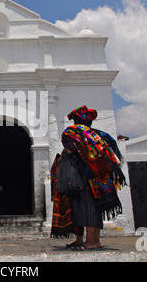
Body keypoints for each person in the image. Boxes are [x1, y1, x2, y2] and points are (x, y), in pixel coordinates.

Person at [51, 106, 126, 250]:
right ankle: (88, 240)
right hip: (101, 177)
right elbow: (114, 151)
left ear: (76, 120)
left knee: (87, 208)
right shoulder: (100, 135)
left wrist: (61, 160)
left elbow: (70, 150)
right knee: (94, 209)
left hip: (82, 178)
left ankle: (91, 241)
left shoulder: (72, 133)